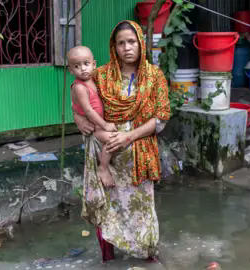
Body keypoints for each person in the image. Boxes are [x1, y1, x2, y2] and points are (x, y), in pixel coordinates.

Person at [73, 20, 170, 262]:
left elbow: (161, 118)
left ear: (141, 43)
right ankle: (108, 258)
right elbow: (79, 93)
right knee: (107, 206)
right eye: (121, 43)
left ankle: (148, 257)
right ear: (114, 47)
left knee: (141, 209)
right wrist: (77, 119)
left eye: (131, 42)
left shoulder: (154, 76)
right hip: (105, 153)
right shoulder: (101, 75)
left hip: (138, 154)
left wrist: (129, 136)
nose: (127, 48)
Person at [68, 46, 117, 187]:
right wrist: (105, 125)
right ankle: (103, 167)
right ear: (71, 70)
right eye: (77, 66)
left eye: (86, 64)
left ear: (94, 64)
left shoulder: (95, 79)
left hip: (100, 124)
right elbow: (88, 111)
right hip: (96, 127)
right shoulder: (79, 87)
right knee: (112, 140)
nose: (83, 69)